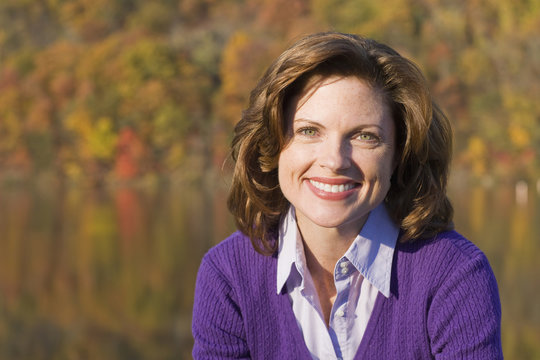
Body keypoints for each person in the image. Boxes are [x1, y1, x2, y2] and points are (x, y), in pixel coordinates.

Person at [192, 32, 503, 359]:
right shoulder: (228, 275)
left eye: (365, 136)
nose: (335, 160)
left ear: (398, 154)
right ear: (273, 145)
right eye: (309, 131)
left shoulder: (455, 274)